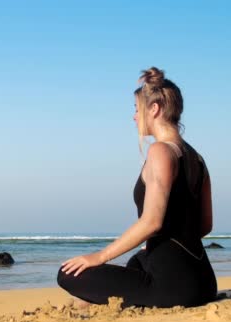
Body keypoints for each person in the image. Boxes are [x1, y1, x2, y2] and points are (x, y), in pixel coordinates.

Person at [57, 67, 217, 308]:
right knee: (139, 260)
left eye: (136, 109)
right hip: (205, 282)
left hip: (176, 288)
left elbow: (152, 222)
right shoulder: (197, 158)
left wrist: (99, 256)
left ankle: (111, 299)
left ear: (154, 109)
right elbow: (205, 225)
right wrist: (156, 246)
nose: (134, 117)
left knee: (67, 273)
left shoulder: (161, 151)